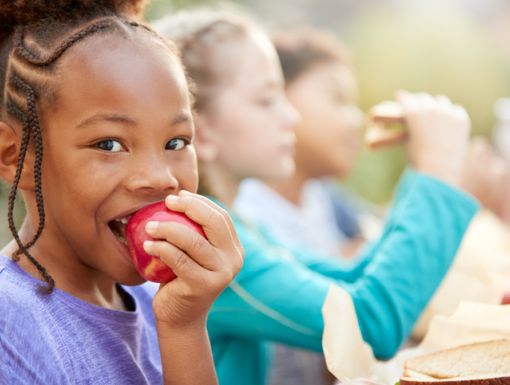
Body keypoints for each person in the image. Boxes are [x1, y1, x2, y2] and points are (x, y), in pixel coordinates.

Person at [155, 9, 478, 385]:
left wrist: (424, 176)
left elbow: (352, 278)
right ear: (202, 130)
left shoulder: (235, 226)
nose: (291, 117)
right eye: (266, 99)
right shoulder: (200, 246)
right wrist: (436, 170)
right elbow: (367, 327)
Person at [0, 2, 243, 385]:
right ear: (15, 158)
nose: (160, 177)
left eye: (176, 141)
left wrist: (185, 328)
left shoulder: (158, 299)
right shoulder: (8, 326)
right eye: (109, 144)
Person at [235, 28, 366, 258]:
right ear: (276, 93)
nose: (357, 120)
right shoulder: (243, 221)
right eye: (338, 97)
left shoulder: (325, 197)